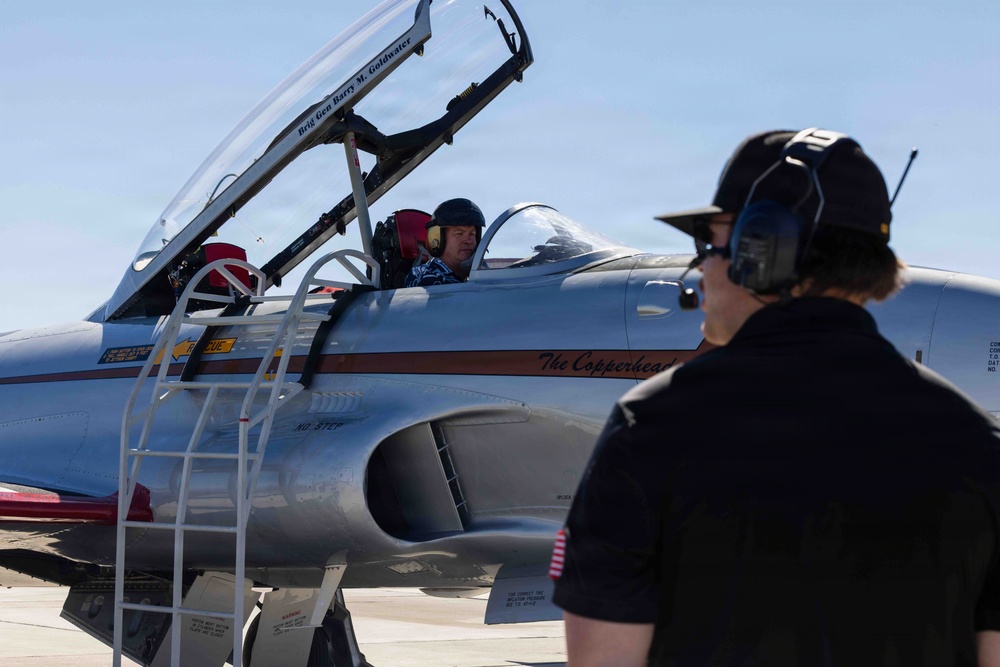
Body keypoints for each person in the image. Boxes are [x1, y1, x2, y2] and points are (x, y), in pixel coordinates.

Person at [550, 128, 1000, 666]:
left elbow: (604, 659)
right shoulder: (979, 446)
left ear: (759, 251)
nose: (699, 269)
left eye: (709, 244)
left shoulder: (651, 427)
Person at [404, 198, 485, 287]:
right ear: (438, 238)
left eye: (472, 234)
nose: (468, 241)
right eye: (459, 233)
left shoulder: (475, 277)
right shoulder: (425, 275)